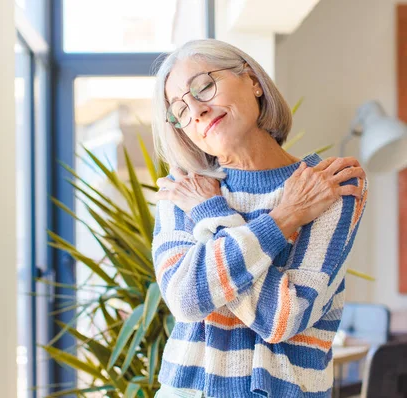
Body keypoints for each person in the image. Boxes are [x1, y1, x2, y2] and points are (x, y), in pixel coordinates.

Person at [150, 39, 368, 398]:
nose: (198, 110)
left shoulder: (329, 185)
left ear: (252, 80)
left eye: (203, 86)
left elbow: (282, 318)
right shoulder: (185, 189)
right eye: (180, 110)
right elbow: (187, 298)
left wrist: (211, 216)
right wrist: (287, 216)